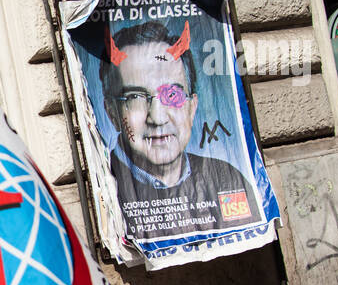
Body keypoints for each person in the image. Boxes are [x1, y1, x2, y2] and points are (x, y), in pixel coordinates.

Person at [100, 20, 260, 241]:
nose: (157, 117)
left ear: (192, 107)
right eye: (135, 97)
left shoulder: (228, 179)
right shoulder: (103, 189)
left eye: (172, 95)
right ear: (111, 112)